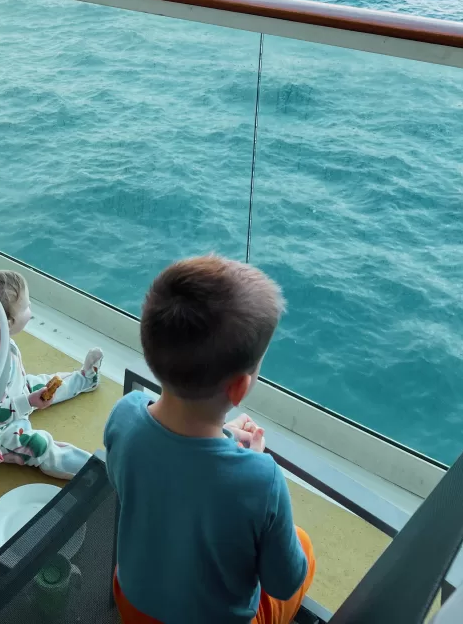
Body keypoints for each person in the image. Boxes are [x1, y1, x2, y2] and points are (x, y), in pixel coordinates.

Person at [104, 255, 316, 624]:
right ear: (239, 387)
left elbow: (135, 478)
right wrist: (247, 460)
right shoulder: (261, 479)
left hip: (131, 602)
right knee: (305, 546)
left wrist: (225, 436)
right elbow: (283, 583)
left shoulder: (125, 414)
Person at [0, 270, 103, 478]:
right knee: (39, 446)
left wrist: (27, 396)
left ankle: (85, 379)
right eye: (27, 306)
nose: (31, 308)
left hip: (17, 392)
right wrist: (28, 402)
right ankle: (93, 472)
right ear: (9, 321)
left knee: (49, 384)